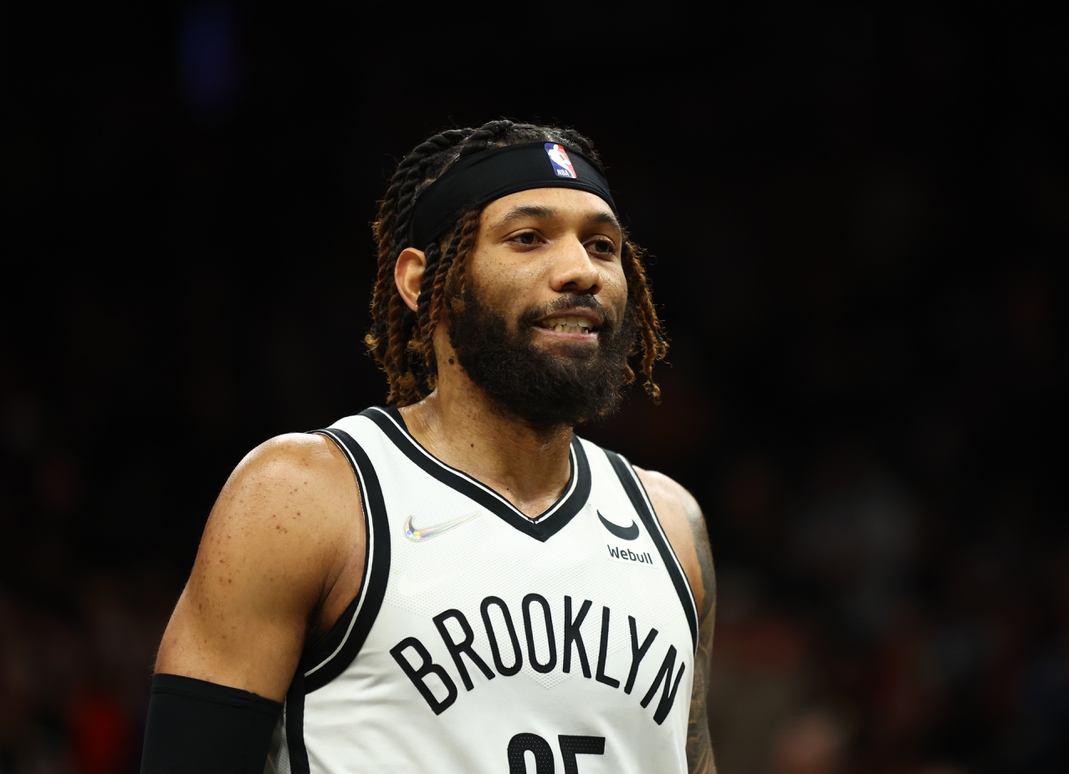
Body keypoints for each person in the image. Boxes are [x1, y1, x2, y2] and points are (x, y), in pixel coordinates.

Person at [140, 120, 717, 774]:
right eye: (528, 239)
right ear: (421, 282)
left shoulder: (670, 525)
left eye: (602, 245)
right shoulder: (305, 496)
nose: (580, 271)